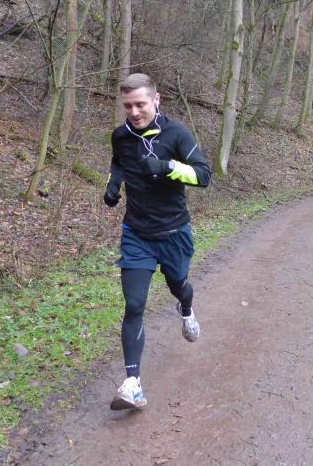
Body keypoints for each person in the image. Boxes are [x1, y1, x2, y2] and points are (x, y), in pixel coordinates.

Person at [103, 73, 212, 410]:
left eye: (140, 104)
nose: (134, 112)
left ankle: (186, 308)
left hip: (174, 233)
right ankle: (132, 384)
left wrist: (167, 167)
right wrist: (113, 184)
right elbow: (119, 162)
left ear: (156, 100)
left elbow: (204, 175)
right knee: (134, 305)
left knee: (179, 284)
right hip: (137, 234)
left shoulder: (176, 133)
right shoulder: (120, 136)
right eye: (127, 106)